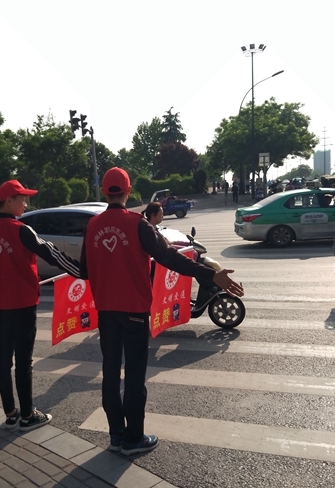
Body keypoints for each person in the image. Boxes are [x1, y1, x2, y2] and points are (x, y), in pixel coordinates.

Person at [80, 167, 244, 456]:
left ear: (105, 192)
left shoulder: (92, 226)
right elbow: (169, 258)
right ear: (128, 191)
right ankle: (133, 439)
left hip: (106, 312)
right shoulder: (138, 224)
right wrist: (211, 274)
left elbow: (84, 271)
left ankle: (116, 435)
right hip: (134, 312)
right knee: (134, 376)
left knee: (110, 374)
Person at [0, 180, 81, 432]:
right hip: (23, 304)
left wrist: (0, 283)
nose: (25, 203)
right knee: (23, 360)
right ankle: (27, 415)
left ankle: (10, 414)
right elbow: (51, 253)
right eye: (22, 198)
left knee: (4, 358)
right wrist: (81, 272)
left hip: (0, 306)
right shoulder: (21, 230)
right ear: (9, 201)